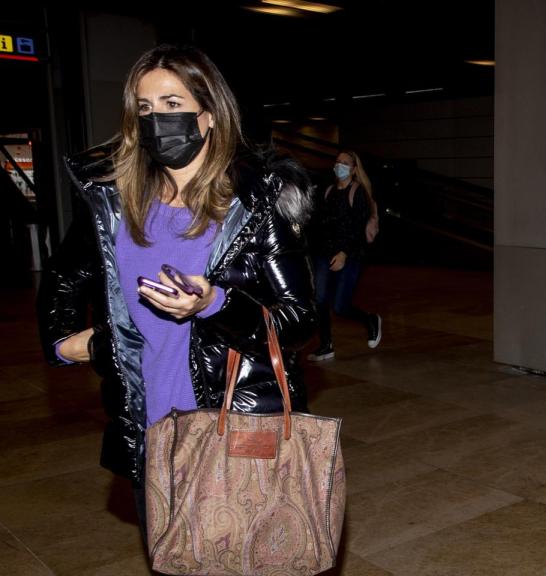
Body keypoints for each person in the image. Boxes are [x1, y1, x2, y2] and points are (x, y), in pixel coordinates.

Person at [36, 45, 317, 537]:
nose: (156, 121)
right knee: (172, 558)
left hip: (235, 426)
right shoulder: (116, 204)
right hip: (147, 429)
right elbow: (62, 278)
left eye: (172, 104)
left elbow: (300, 321)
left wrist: (216, 304)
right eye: (144, 108)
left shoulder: (254, 203)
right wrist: (70, 343)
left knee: (243, 560)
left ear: (209, 114)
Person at [307, 149, 382, 361]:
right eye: (338, 161)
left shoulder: (358, 193)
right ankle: (326, 345)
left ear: (354, 169)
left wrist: (343, 254)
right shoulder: (329, 191)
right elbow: (321, 224)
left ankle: (370, 320)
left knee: (340, 306)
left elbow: (358, 229)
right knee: (320, 300)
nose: (339, 166)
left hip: (351, 254)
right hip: (325, 253)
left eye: (345, 163)